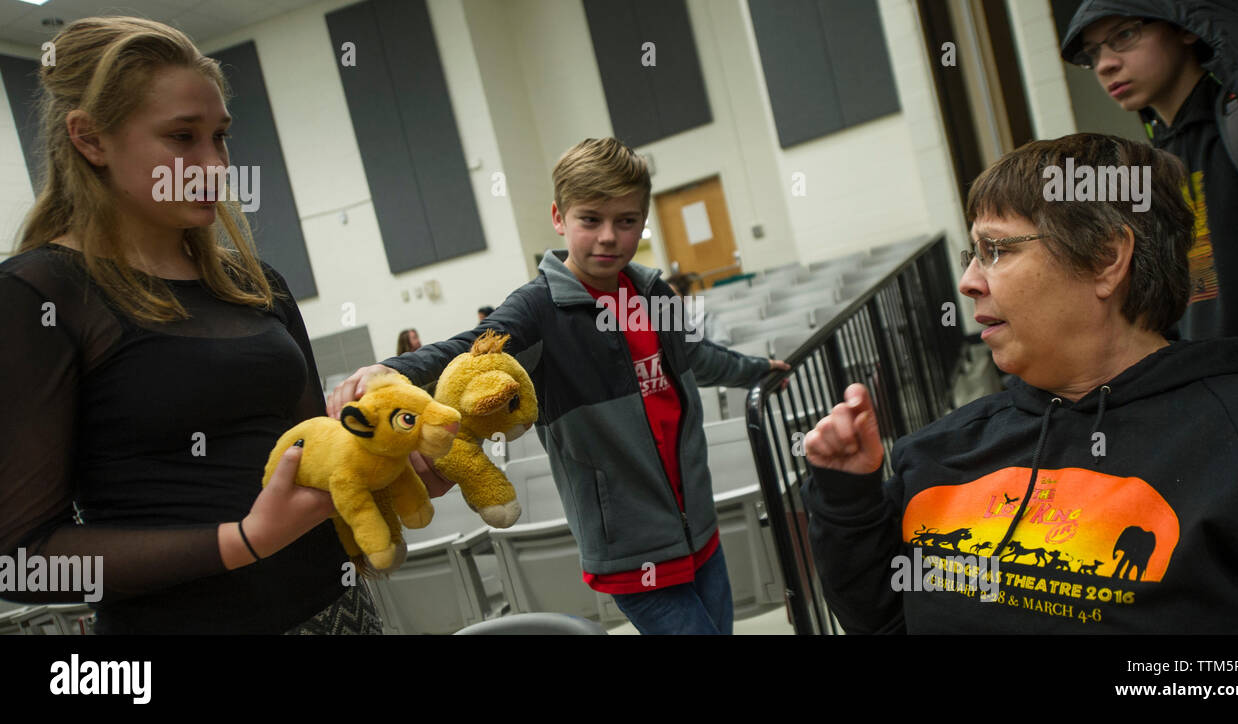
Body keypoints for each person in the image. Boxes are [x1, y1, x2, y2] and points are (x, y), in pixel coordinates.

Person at [0, 17, 448, 634]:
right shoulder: (39, 294)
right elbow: (24, 561)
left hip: (339, 615)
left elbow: (313, 465)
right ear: (90, 139)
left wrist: (388, 462)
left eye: (220, 137)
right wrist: (240, 542)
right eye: (182, 137)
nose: (213, 164)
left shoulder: (255, 285)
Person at [801, 133, 1238, 633]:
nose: (969, 282)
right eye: (971, 254)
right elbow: (885, 623)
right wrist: (847, 499)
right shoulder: (937, 451)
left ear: (1106, 258)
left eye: (996, 249)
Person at [329, 138, 789, 634]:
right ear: (559, 217)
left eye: (627, 221)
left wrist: (757, 370)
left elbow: (694, 355)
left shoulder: (652, 290)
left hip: (699, 529)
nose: (610, 237)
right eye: (591, 219)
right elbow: (471, 347)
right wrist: (395, 371)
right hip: (630, 551)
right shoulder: (540, 307)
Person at [1060, 0, 1238, 384]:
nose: (1105, 64)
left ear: (1185, 27)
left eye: (1124, 35)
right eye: (1093, 53)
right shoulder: (1158, 160)